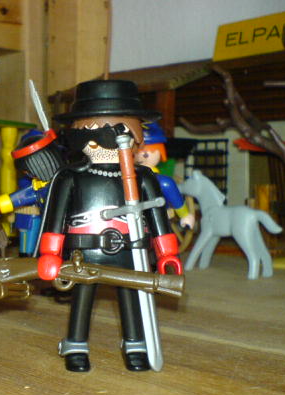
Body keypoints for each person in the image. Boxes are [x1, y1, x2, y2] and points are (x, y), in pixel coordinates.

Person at [37, 79, 182, 373]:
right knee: (82, 297)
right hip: (85, 250)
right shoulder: (70, 177)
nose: (98, 140)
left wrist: (167, 254)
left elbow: (158, 218)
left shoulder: (143, 177)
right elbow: (55, 217)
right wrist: (50, 253)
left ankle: (135, 344)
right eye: (91, 131)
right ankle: (76, 344)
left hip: (131, 249)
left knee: (131, 295)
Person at [0, 129, 65, 256]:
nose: (27, 173)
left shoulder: (63, 182)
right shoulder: (38, 186)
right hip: (49, 227)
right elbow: (21, 197)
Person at [135, 122, 195, 229]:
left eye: (145, 154)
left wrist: (184, 215)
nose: (140, 158)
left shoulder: (163, 182)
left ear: (160, 152)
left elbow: (173, 196)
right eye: (135, 154)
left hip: (158, 218)